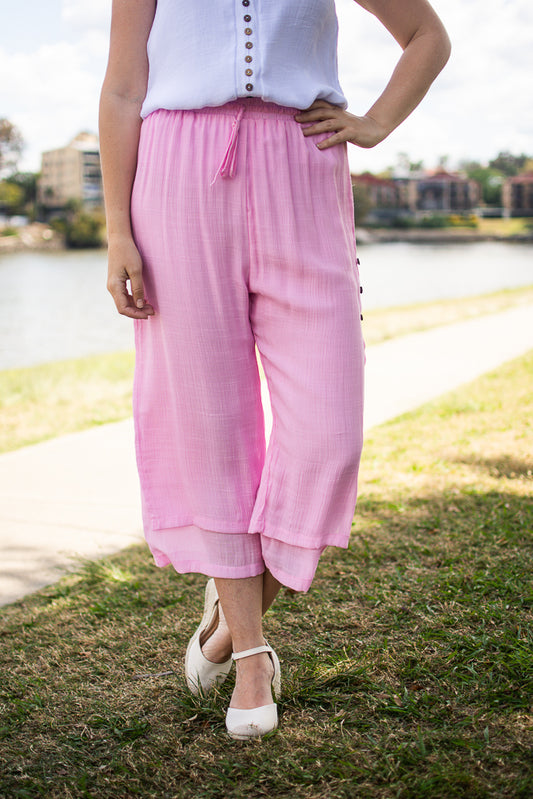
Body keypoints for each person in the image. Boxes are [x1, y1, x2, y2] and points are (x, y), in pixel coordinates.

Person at [99, 0, 450, 740]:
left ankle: (228, 620)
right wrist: (116, 232)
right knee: (209, 421)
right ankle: (251, 655)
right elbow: (125, 88)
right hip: (176, 175)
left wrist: (377, 121)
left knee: (328, 433)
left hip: (302, 161)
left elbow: (425, 36)